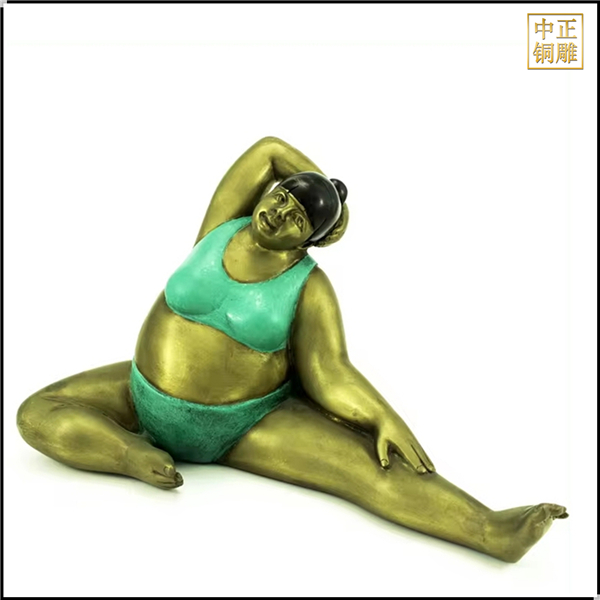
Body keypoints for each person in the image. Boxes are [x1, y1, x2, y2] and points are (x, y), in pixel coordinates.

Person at [17, 136, 567, 563]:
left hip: (243, 423)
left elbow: (330, 371)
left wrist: (382, 416)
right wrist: (327, 197)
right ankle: (130, 456)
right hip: (141, 394)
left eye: (298, 220)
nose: (279, 213)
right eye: (282, 198)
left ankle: (490, 530)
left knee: (366, 468)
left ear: (307, 240)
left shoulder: (310, 286)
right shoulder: (220, 227)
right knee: (37, 414)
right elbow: (269, 150)